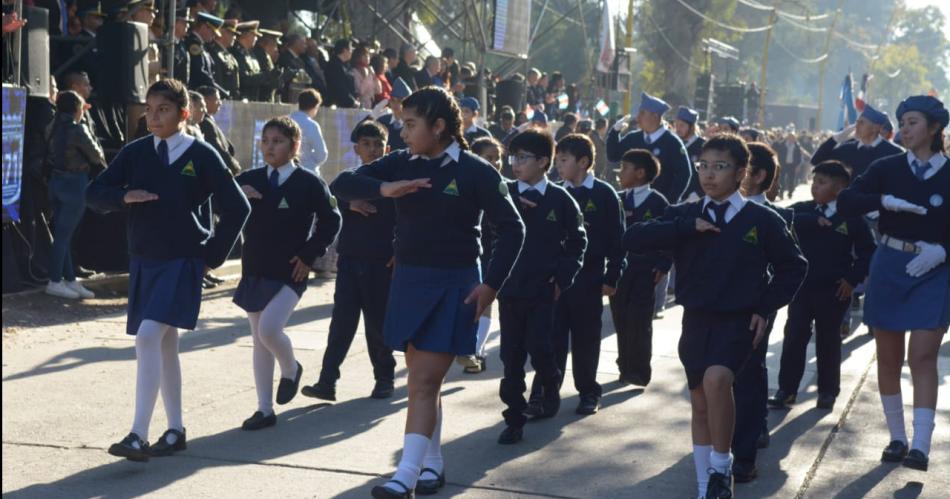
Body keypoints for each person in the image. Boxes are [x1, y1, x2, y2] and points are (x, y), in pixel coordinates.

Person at [332, 86, 524, 498]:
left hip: (455, 285)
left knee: (420, 381)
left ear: (439, 127)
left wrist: (491, 286)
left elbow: (513, 228)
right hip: (408, 283)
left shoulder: (475, 171)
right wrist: (384, 190)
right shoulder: (400, 163)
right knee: (425, 382)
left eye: (410, 124)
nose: (402, 133)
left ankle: (405, 475)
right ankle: (432, 464)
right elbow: (341, 183)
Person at [625, 134, 806, 498]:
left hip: (738, 320)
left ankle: (723, 469)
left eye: (720, 167)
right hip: (695, 320)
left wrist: (764, 308)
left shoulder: (762, 219)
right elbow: (633, 237)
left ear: (742, 172)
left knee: (718, 380)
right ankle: (706, 485)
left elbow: (793, 266)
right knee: (700, 401)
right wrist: (684, 227)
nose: (709, 174)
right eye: (703, 165)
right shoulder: (687, 214)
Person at [88, 79, 250, 462]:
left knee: (147, 339)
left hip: (182, 260)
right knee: (164, 345)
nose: (153, 116)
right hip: (145, 259)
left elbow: (238, 207)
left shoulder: (203, 154)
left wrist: (212, 255)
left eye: (163, 109)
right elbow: (94, 193)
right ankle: (175, 429)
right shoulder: (136, 152)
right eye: (149, 109)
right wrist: (122, 196)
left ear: (184, 113)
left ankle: (137, 435)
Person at [837, 95, 949, 472]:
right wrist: (884, 201)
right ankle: (897, 437)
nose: (904, 129)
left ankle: (920, 445)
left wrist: (944, 251)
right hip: (889, 263)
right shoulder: (887, 167)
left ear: (934, 128)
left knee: (922, 355)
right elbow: (847, 201)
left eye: (913, 122)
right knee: (887, 355)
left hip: (934, 269)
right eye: (901, 122)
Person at [234, 116, 341, 430]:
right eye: (265, 141)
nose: (270, 147)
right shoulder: (249, 178)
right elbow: (223, 206)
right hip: (254, 268)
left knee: (269, 330)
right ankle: (264, 409)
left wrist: (310, 254)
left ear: (295, 146)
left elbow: (331, 221)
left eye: (277, 141)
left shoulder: (309, 182)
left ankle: (291, 367)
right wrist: (239, 195)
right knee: (258, 339)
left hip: (291, 270)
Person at [497, 129, 586, 441]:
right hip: (508, 291)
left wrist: (562, 278)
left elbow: (577, 242)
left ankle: (550, 380)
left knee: (540, 349)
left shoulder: (561, 199)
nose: (515, 164)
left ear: (543, 162)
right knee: (511, 358)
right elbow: (487, 234)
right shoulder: (504, 193)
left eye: (523, 158)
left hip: (543, 291)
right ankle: (514, 419)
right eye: (513, 157)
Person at [526, 133, 623, 416]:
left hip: (589, 280)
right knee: (549, 339)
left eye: (564, 160)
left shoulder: (605, 194)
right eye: (557, 159)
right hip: (555, 281)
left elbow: (618, 240)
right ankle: (543, 393)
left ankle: (588, 391)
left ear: (583, 162)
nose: (558, 165)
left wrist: (613, 276)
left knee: (585, 340)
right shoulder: (553, 192)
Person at [303, 119, 397, 402]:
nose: (372, 150)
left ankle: (384, 378)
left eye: (378, 144)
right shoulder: (352, 179)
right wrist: (349, 204)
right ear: (356, 148)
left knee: (377, 325)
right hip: (350, 259)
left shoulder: (392, 183)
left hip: (381, 262)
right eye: (366, 144)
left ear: (387, 148)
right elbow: (331, 194)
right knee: (341, 324)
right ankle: (327, 380)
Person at [770, 160, 874, 411]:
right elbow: (780, 217)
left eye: (821, 182)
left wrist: (852, 279)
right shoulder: (803, 210)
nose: (814, 186)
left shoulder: (851, 217)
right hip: (801, 288)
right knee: (794, 337)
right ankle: (787, 390)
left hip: (834, 290)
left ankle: (828, 391)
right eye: (814, 181)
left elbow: (867, 251)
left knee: (828, 340)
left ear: (839, 189)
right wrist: (811, 220)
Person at [730, 141, 796, 482]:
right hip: (717, 308)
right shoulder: (713, 209)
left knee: (749, 372)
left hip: (755, 308)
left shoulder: (775, 217)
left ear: (758, 176)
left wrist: (765, 306)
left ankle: (748, 441)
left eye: (742, 168)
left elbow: (790, 267)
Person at [609, 149, 670, 387]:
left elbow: (668, 235)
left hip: (646, 270)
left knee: (640, 321)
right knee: (621, 318)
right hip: (620, 269)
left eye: (625, 168)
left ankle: (639, 370)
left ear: (640, 173)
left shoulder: (657, 202)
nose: (620, 173)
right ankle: (624, 364)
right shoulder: (617, 199)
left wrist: (664, 263)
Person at [43, 90, 104, 300]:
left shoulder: (51, 127)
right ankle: (54, 280)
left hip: (55, 182)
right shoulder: (78, 129)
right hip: (75, 184)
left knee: (62, 233)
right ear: (77, 109)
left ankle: (68, 279)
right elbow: (97, 155)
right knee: (63, 236)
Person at [457, 136, 506, 373]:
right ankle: (471, 347)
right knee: (469, 303)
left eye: (499, 159)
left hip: (495, 253)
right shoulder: (464, 180)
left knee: (486, 302)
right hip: (470, 253)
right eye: (489, 158)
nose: (496, 163)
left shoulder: (505, 186)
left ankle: (476, 350)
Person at [607, 92, 693, 203]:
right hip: (633, 201)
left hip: (658, 206)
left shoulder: (672, 142)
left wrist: (668, 201)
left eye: (642, 113)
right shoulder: (633, 138)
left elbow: (684, 174)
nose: (638, 118)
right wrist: (614, 132)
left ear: (655, 116)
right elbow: (613, 156)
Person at [811, 104, 904, 181]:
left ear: (875, 128)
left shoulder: (893, 153)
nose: (856, 126)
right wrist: (836, 138)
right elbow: (816, 160)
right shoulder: (847, 149)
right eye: (857, 122)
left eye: (862, 123)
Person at [196, 86, 241, 176]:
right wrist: (233, 166)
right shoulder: (205, 123)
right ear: (205, 101)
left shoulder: (209, 120)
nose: (220, 103)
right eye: (217, 100)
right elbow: (216, 148)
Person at [288, 89, 329, 175]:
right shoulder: (312, 125)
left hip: (285, 170)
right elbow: (321, 154)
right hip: (307, 172)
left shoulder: (287, 121)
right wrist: (309, 160)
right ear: (315, 107)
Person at [185, 13, 227, 94]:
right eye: (212, 32)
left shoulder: (202, 45)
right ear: (204, 27)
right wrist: (216, 88)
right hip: (196, 91)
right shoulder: (193, 43)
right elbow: (199, 71)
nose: (213, 36)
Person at [675, 106, 705, 200]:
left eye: (682, 125)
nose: (678, 129)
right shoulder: (674, 143)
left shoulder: (703, 146)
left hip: (693, 199)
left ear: (692, 127)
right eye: (677, 125)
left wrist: (697, 194)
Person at [376, 77, 411, 151]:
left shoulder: (412, 124)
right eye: (392, 100)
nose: (395, 104)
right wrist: (371, 117)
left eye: (399, 100)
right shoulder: (382, 121)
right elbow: (355, 138)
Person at [208, 19, 240, 99]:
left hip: (231, 99)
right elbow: (218, 79)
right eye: (232, 34)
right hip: (221, 98)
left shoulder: (228, 54)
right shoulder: (213, 52)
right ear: (222, 32)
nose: (234, 37)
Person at [324, 39, 359, 108]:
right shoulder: (334, 65)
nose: (352, 52)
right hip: (337, 105)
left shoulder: (346, 65)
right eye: (351, 49)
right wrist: (352, 101)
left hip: (347, 104)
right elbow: (339, 87)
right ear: (345, 50)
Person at [774, 131, 803, 199]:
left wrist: (798, 165)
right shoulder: (782, 144)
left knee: (791, 179)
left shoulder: (797, 146)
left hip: (792, 165)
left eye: (793, 137)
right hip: (783, 164)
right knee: (782, 179)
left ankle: (790, 192)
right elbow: (776, 150)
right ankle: (781, 192)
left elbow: (799, 157)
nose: (791, 139)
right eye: (790, 137)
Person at [350, 45, 380, 109]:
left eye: (368, 55)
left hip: (370, 104)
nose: (367, 58)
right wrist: (368, 76)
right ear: (358, 57)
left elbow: (378, 90)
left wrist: (374, 76)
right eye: (364, 56)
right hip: (360, 106)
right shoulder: (354, 71)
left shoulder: (369, 70)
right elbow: (360, 91)